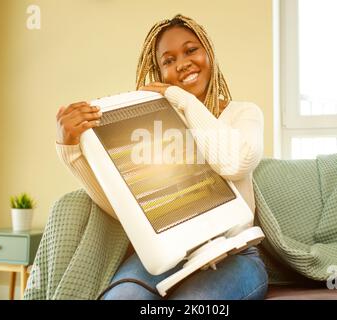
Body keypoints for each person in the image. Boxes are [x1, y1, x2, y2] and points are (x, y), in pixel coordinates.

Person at [55, 14, 268, 300]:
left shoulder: (243, 114)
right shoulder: (153, 128)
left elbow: (234, 162)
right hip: (168, 255)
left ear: (209, 53)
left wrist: (182, 100)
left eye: (191, 50)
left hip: (234, 254)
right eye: (168, 61)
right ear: (159, 73)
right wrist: (70, 149)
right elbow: (123, 207)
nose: (182, 64)